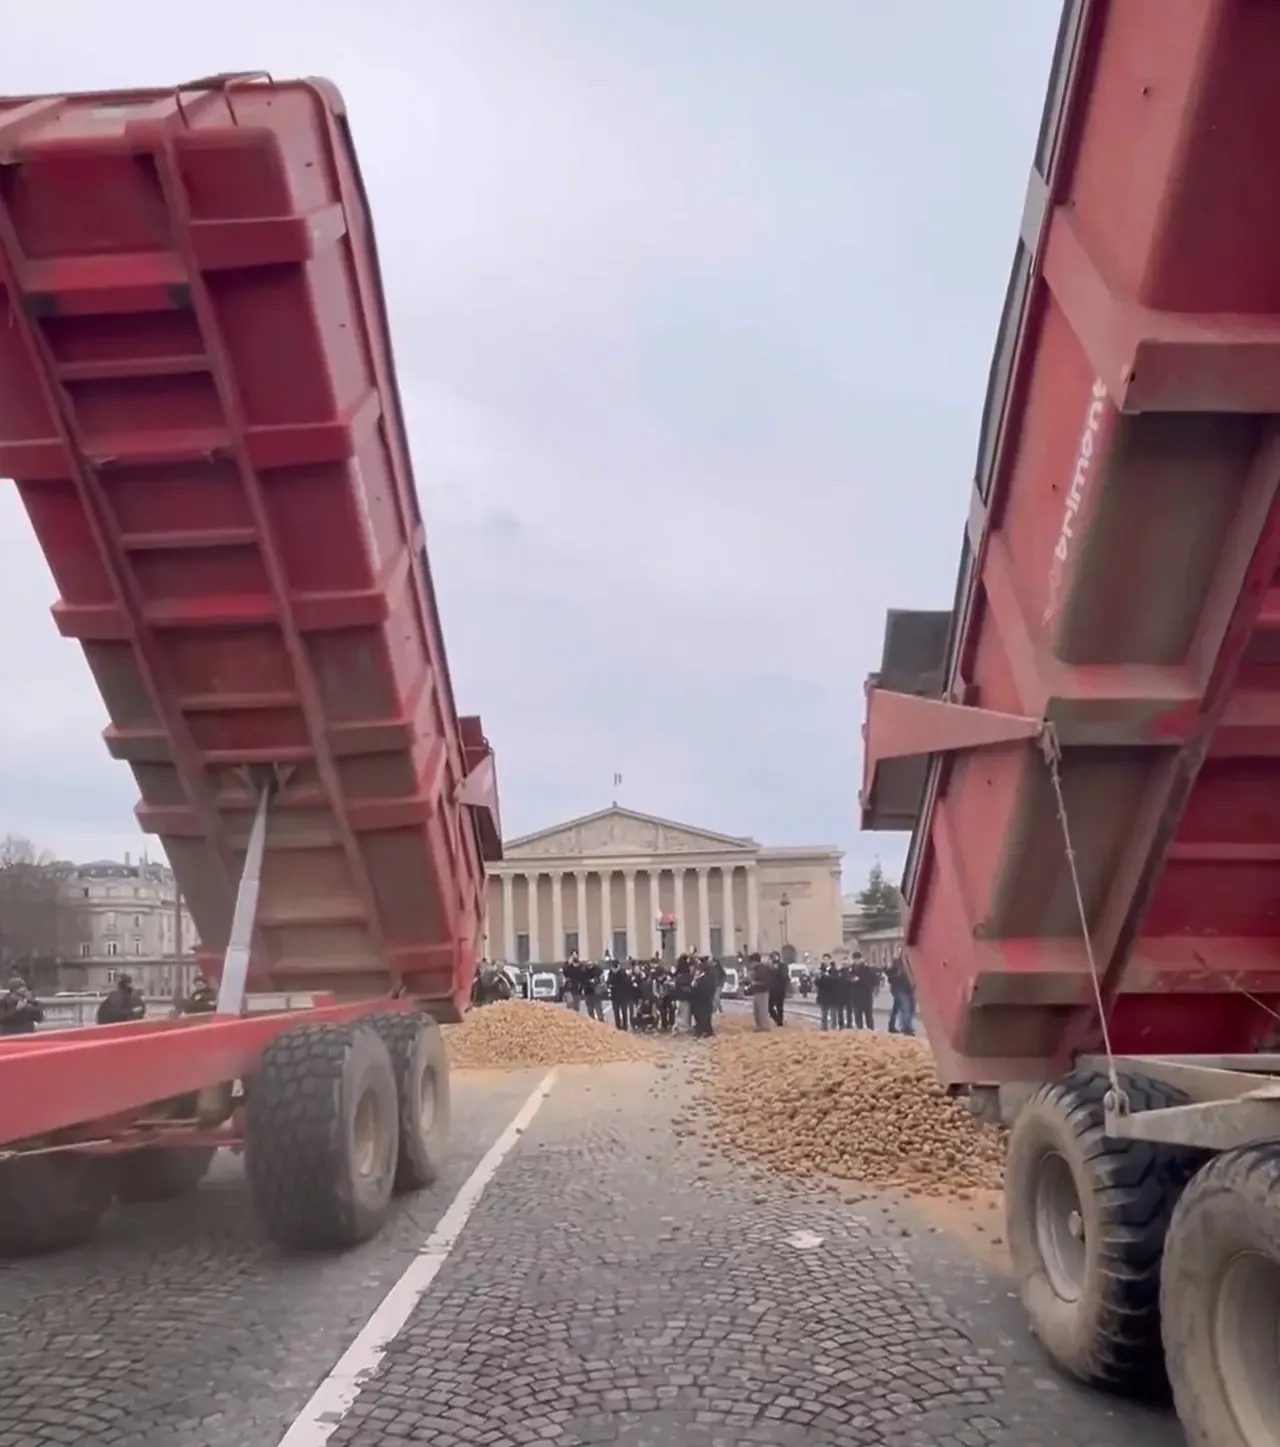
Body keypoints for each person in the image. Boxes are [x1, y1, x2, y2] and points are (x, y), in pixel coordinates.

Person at [886, 952, 916, 1035]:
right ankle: (907, 1028)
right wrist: (896, 974)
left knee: (906, 1008)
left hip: (910, 989)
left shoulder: (913, 962)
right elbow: (889, 974)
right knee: (906, 1007)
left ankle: (891, 1025)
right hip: (898, 988)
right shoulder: (897, 962)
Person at [689, 956, 717, 1038]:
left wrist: (694, 987)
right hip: (702, 1001)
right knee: (703, 1017)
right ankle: (703, 1031)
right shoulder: (704, 976)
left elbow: (704, 989)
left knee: (703, 1017)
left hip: (703, 1000)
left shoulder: (704, 978)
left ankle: (705, 1031)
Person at [850, 953, 878, 1030]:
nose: (856, 961)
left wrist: (860, 979)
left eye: (858, 959)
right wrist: (851, 979)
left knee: (868, 1016)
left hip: (866, 996)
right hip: (855, 996)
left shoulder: (866, 969)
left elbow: (873, 979)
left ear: (861, 959)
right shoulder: (851, 969)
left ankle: (871, 1032)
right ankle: (860, 1033)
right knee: (857, 1016)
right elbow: (848, 978)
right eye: (855, 959)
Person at [747, 952, 772, 1031]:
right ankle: (759, 1026)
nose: (751, 964)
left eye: (751, 962)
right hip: (757, 991)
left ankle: (764, 1026)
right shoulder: (756, 969)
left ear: (754, 961)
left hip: (762, 992)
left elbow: (765, 981)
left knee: (762, 1011)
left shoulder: (762, 969)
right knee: (757, 1011)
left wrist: (753, 982)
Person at [815, 956, 839, 1031]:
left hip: (833, 995)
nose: (826, 961)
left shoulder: (834, 970)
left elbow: (835, 981)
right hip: (823, 995)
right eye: (824, 959)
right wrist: (822, 978)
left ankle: (833, 1028)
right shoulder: (819, 970)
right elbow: (817, 982)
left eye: (827, 959)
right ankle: (824, 1028)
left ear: (830, 960)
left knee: (833, 1014)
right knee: (824, 1014)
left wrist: (825, 978)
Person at [581, 957, 605, 1021]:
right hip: (588, 991)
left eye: (590, 964)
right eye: (588, 965)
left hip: (596, 991)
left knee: (598, 1007)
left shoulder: (598, 970)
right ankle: (591, 1020)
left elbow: (601, 979)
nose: (589, 966)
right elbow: (582, 981)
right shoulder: (584, 971)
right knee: (590, 1008)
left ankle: (601, 1020)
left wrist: (595, 981)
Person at [767, 952, 787, 1027]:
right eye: (772, 957)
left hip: (780, 990)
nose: (774, 958)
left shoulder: (783, 966)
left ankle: (780, 1022)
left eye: (776, 956)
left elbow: (784, 976)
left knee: (780, 1007)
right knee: (769, 1008)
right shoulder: (768, 967)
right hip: (771, 990)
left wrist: (775, 970)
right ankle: (776, 1019)